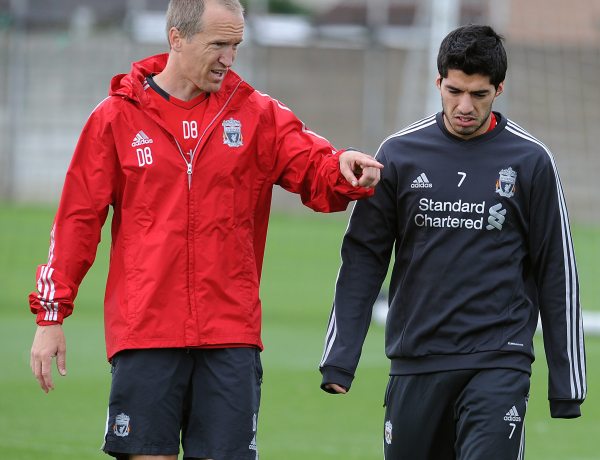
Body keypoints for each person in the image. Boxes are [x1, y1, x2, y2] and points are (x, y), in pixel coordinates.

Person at [28, 0, 383, 459]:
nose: (229, 58)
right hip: (146, 332)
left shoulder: (255, 114)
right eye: (219, 44)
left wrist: (343, 167)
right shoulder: (116, 118)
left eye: (236, 45)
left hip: (230, 335)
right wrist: (51, 316)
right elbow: (76, 222)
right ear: (177, 38)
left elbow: (313, 168)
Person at [319, 24, 587, 460]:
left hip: (499, 361)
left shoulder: (531, 161)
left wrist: (567, 384)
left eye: (478, 94)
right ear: (438, 82)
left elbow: (557, 269)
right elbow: (363, 259)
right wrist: (340, 357)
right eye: (454, 90)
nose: (464, 106)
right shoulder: (399, 154)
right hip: (416, 360)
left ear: (499, 89)